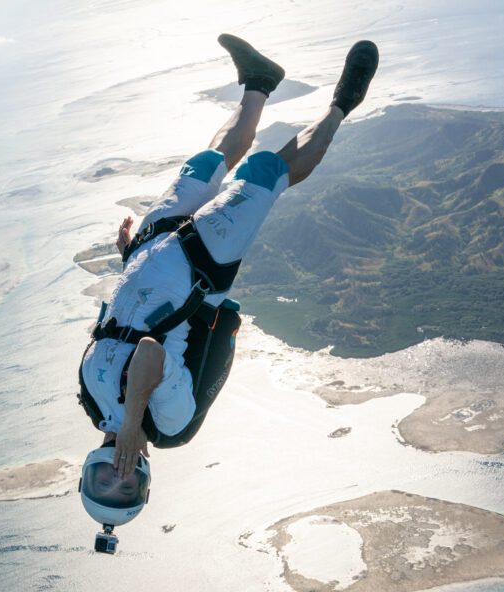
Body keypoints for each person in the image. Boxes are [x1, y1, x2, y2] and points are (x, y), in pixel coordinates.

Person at [77, 34, 380, 538]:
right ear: (145, 483)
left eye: (101, 485)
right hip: (201, 264)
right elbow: (150, 349)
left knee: (206, 162)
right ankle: (341, 107)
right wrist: (133, 423)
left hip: (152, 248)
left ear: (85, 476)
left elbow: (117, 321)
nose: (117, 477)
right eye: (125, 491)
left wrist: (130, 258)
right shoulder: (171, 425)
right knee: (266, 173)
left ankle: (259, 83)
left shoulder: (89, 399)